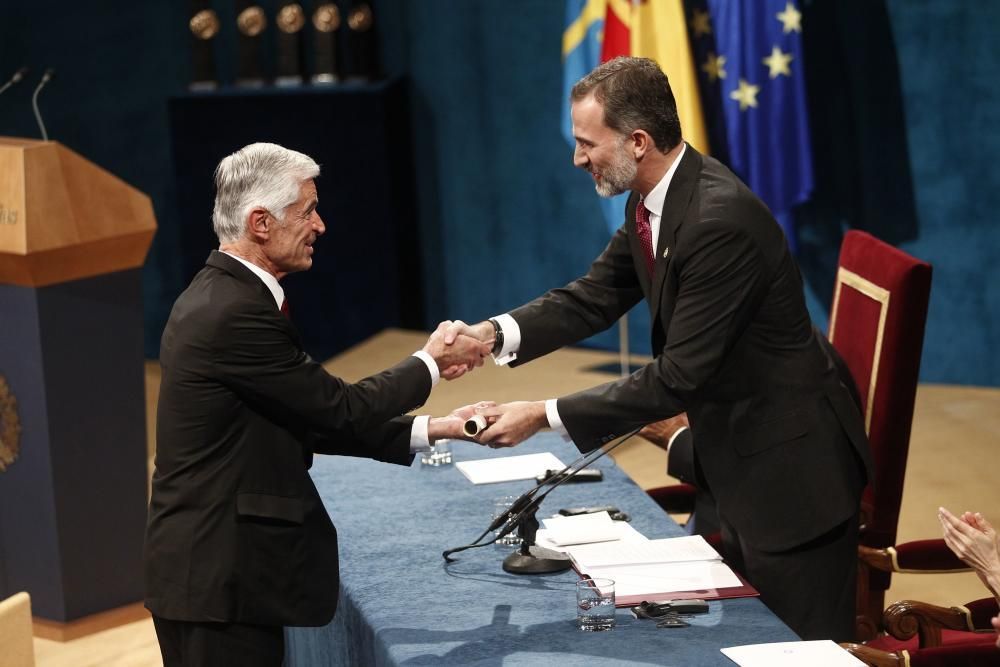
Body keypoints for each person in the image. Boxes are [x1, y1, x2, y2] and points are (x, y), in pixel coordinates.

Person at [446, 57, 872, 641]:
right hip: (735, 464)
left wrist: (541, 416)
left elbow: (677, 378)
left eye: (586, 143)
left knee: (798, 652)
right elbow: (592, 298)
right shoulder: (655, 199)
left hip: (792, 481)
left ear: (638, 141)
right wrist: (489, 335)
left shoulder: (717, 221)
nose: (578, 158)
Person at [144, 143, 491, 667]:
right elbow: (339, 409)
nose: (321, 225)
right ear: (260, 222)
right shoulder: (231, 313)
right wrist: (431, 362)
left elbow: (307, 418)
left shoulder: (230, 296)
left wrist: (434, 429)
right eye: (307, 211)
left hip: (222, 577)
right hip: (215, 582)